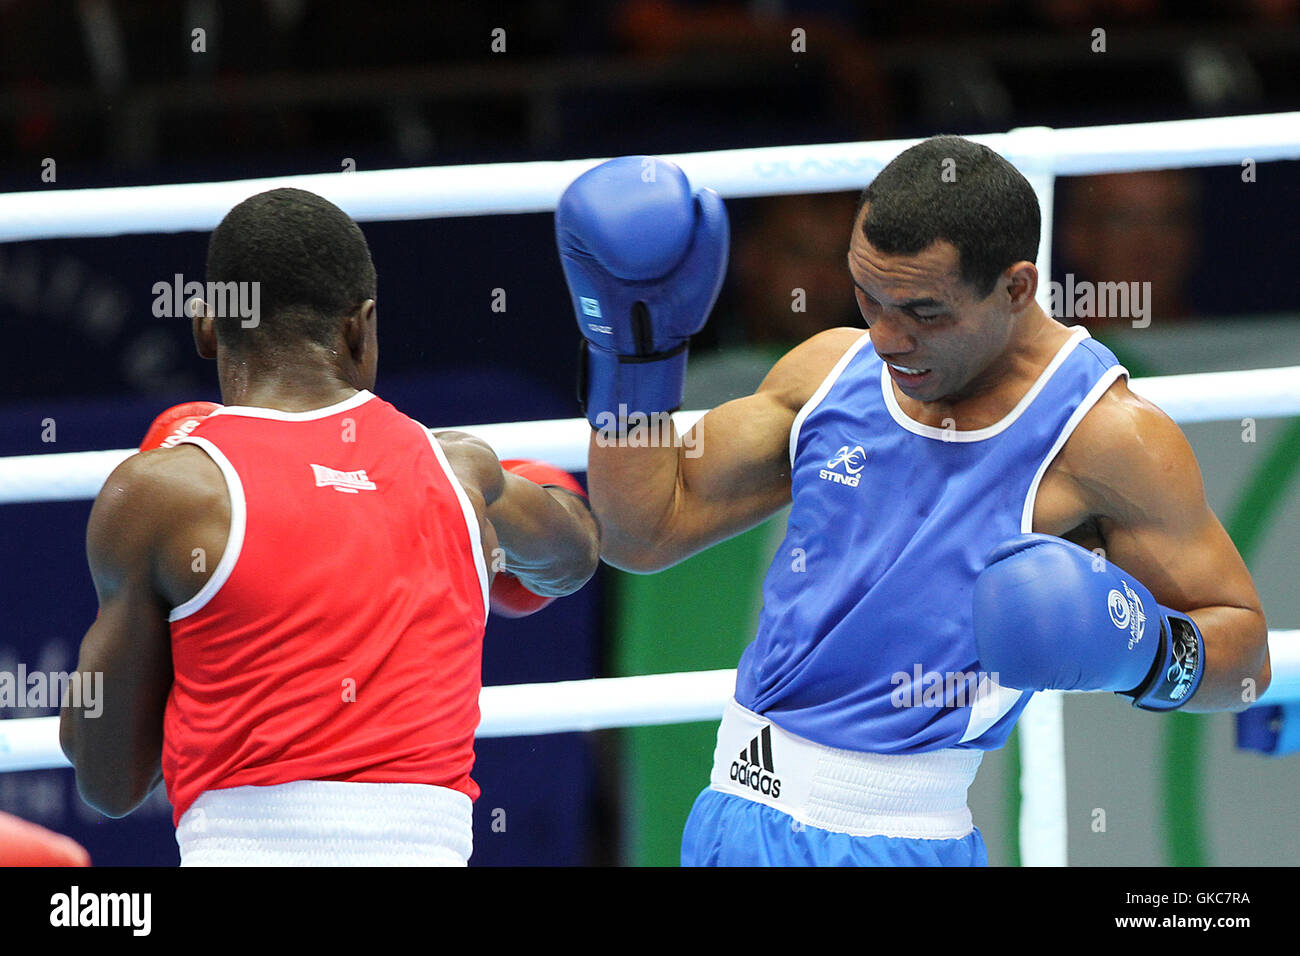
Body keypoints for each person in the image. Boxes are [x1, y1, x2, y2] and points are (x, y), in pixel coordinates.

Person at [558, 142, 1270, 866]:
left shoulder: (1105, 436)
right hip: (734, 815)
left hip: (898, 839)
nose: (887, 338)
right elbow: (641, 534)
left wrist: (1143, 649)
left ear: (1017, 288)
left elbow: (1245, 658)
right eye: (870, 297)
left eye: (924, 311)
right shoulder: (830, 369)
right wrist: (634, 364)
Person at [58, 187, 600, 866]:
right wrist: (526, 501)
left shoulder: (165, 494)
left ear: (204, 325)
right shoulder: (463, 474)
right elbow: (577, 554)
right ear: (360, 327)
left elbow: (107, 782)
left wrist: (180, 627)